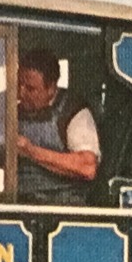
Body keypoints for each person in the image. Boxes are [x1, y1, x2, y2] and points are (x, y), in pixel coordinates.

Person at [15, 48, 99, 203]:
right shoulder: (12, 110)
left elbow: (87, 167)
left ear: (51, 88)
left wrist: (31, 151)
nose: (21, 94)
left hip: (61, 206)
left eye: (30, 89)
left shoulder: (74, 112)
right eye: (19, 84)